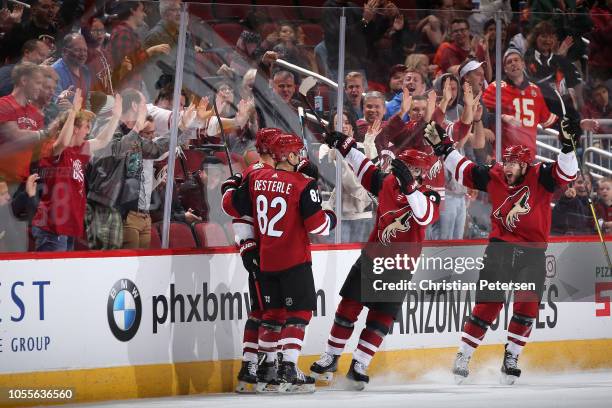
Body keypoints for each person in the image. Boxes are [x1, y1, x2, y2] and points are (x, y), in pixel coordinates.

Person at [423, 116, 579, 385]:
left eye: (514, 163)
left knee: (527, 306)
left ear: (525, 165)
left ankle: (512, 356)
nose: (508, 167)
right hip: (500, 249)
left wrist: (566, 146)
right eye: (506, 162)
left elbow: (567, 174)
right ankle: (464, 354)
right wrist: (444, 147)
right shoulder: (495, 174)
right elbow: (464, 170)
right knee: (489, 304)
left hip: (532, 251)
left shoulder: (541, 175)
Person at [310, 130, 440, 389]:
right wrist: (344, 145)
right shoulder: (386, 182)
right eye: (405, 166)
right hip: (373, 257)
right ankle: (331, 356)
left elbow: (424, 217)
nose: (407, 170)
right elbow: (362, 167)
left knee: (381, 317)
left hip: (400, 267)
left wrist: (411, 187)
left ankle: (360, 362)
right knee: (348, 307)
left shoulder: (429, 195)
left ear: (422, 172)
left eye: (413, 168)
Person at [222, 133, 336, 393]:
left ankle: (265, 369)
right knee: (299, 314)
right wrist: (330, 215)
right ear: (290, 155)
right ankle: (288, 367)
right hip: (294, 259)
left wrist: (229, 186)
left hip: (266, 260)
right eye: (298, 152)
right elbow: (319, 225)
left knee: (271, 316)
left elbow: (234, 207)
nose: (301, 156)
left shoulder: (256, 178)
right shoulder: (302, 183)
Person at [31, 88, 122, 251]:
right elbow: (63, 143)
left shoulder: (79, 149)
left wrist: (116, 117)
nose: (88, 131)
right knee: (54, 275)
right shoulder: (51, 147)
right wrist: (72, 113)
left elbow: (102, 140)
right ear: (74, 128)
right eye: (86, 126)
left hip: (68, 227)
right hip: (51, 229)